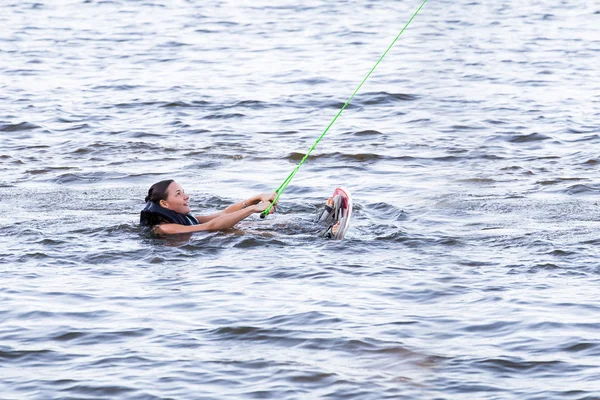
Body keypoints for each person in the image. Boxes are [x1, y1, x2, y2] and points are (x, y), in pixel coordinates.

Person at [141, 179, 277, 235]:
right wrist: (252, 209)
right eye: (178, 194)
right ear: (164, 204)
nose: (186, 196)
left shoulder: (185, 220)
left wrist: (257, 198)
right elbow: (211, 226)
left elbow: (224, 213)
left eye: (183, 192)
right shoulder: (165, 228)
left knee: (253, 226)